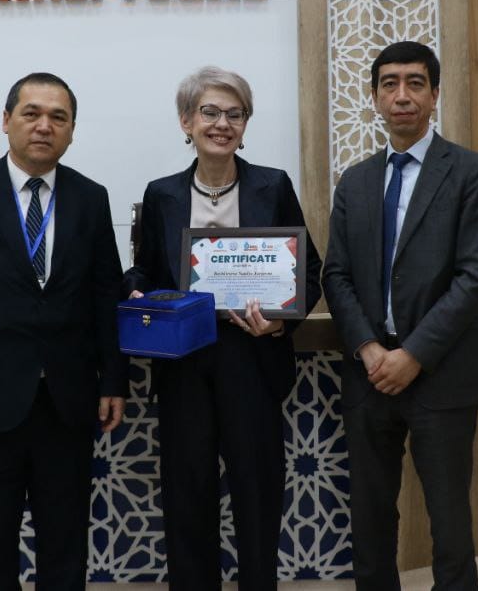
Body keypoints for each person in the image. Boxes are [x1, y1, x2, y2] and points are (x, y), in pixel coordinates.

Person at [0, 72, 127, 590]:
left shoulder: (90, 197)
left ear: (72, 130)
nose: (44, 126)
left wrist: (113, 380)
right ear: (6, 120)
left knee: (65, 544)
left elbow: (106, 295)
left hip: (68, 400)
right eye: (31, 113)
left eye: (58, 117)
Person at [123, 66, 322, 591]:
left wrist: (278, 323)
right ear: (186, 121)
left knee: (257, 492)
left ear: (245, 124)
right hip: (184, 360)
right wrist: (136, 291)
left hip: (252, 359)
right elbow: (146, 269)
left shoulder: (273, 185)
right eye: (210, 112)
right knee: (186, 493)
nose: (222, 124)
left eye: (235, 114)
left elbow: (309, 272)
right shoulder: (162, 194)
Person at [323, 41, 478, 591]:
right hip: (369, 373)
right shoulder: (354, 180)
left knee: (449, 518)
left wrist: (414, 355)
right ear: (375, 97)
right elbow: (336, 275)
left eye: (415, 83)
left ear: (435, 94)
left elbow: (472, 278)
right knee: (370, 512)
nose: (402, 95)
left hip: (442, 372)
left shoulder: (471, 171)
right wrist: (370, 349)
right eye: (390, 84)